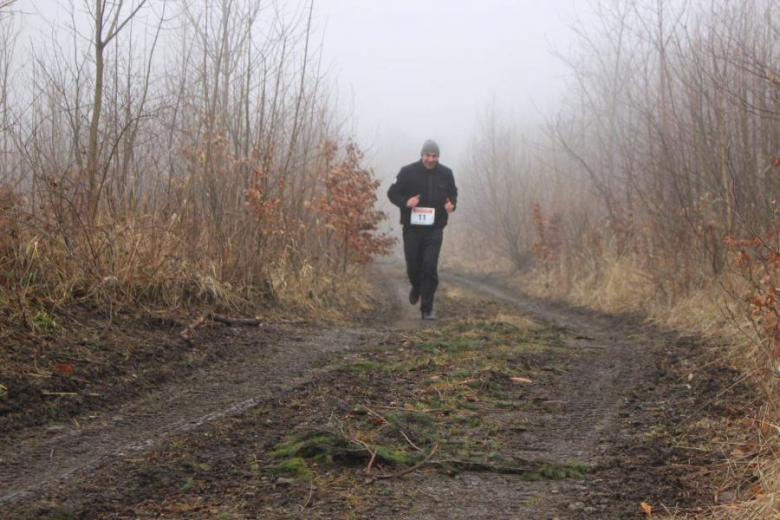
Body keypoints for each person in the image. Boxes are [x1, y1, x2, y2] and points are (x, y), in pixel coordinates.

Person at [387, 139, 458, 320]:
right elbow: (392, 193)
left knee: (430, 266)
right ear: (422, 155)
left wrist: (452, 205)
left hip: (435, 228)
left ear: (438, 156)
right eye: (428, 155)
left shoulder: (446, 173)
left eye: (434, 156)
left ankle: (427, 309)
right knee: (413, 266)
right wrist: (406, 202)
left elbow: (452, 194)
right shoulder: (407, 171)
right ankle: (416, 285)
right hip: (412, 228)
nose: (431, 160)